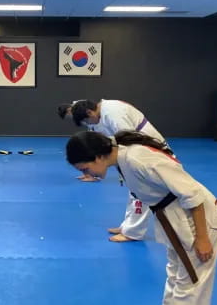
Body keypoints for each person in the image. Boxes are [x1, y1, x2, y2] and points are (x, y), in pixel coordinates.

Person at [66, 131, 217, 305]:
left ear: (97, 157)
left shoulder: (138, 159)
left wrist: (202, 238)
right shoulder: (123, 158)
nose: (89, 174)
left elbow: (193, 194)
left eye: (86, 168)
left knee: (191, 292)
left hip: (197, 221)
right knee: (175, 282)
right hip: (173, 222)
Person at [71, 99, 168, 242]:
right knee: (133, 191)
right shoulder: (102, 114)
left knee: (140, 192)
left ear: (89, 112)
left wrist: (123, 165)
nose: (89, 125)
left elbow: (130, 139)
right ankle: (128, 226)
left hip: (150, 154)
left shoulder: (113, 113)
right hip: (137, 153)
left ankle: (133, 232)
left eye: (87, 121)